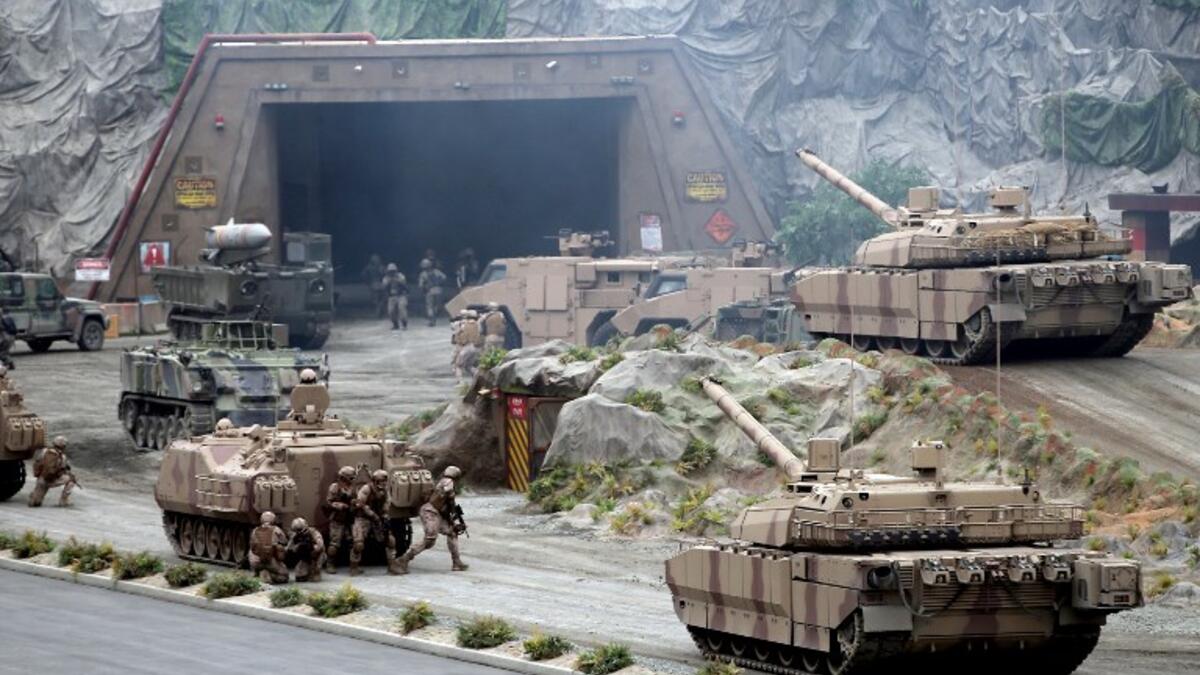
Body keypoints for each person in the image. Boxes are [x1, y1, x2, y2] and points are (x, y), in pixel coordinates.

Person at [398, 466, 468, 573]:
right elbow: (446, 498)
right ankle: (404, 559)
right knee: (430, 540)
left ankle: (457, 562)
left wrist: (454, 520)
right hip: (430, 511)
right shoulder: (448, 482)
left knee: (452, 532)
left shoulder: (445, 482)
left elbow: (447, 506)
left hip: (437, 513)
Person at [350, 469, 402, 576]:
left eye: (384, 481)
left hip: (378, 517)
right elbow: (360, 504)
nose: (383, 483)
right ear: (375, 481)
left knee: (390, 541)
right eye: (381, 481)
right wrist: (372, 515)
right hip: (363, 517)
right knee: (358, 544)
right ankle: (354, 567)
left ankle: (392, 566)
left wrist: (385, 514)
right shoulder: (366, 489)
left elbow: (388, 501)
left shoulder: (385, 490)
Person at [322, 465, 357, 574]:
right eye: (350, 477)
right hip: (338, 517)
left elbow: (356, 498)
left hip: (350, 517)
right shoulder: (335, 487)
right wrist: (339, 505)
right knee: (335, 543)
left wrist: (355, 504)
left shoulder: (353, 487)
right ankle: (330, 564)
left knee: (354, 542)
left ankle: (353, 565)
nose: (352, 479)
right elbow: (329, 502)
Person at [28, 436, 77, 507]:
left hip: (41, 479)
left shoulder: (44, 451)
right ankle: (63, 501)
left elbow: (37, 463)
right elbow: (64, 469)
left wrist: (38, 475)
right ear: (63, 446)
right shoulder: (62, 456)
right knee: (72, 480)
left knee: (35, 503)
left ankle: (34, 496)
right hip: (53, 479)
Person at [249, 511, 289, 583]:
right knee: (284, 576)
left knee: (250, 552)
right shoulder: (277, 530)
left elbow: (252, 545)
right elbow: (284, 541)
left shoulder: (255, 530)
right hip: (271, 561)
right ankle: (270, 576)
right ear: (273, 520)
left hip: (256, 562)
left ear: (261, 519)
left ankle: (256, 573)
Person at [286, 517, 326, 582]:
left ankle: (315, 570)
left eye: (299, 529)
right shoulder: (296, 535)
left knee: (314, 578)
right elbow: (289, 547)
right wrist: (297, 547)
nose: (298, 532)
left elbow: (320, 546)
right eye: (296, 530)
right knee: (300, 577)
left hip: (317, 556)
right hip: (305, 557)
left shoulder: (313, 532)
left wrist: (311, 547)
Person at [451, 310, 481, 380]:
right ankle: (479, 377)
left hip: (466, 347)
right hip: (475, 347)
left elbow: (459, 337)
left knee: (458, 366)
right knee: (469, 366)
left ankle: (460, 381)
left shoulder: (462, 324)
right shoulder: (478, 324)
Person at [417, 260, 448, 327]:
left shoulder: (423, 274)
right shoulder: (437, 271)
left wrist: (423, 291)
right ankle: (434, 318)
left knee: (430, 306)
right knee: (436, 306)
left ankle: (431, 320)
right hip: (438, 290)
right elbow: (444, 278)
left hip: (429, 291)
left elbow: (421, 285)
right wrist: (439, 283)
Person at [382, 263, 408, 330]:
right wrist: (389, 282)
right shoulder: (386, 278)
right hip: (391, 296)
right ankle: (395, 324)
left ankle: (404, 324)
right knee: (391, 311)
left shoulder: (400, 276)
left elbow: (404, 285)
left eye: (393, 271)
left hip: (401, 296)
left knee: (402, 310)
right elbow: (384, 287)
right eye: (390, 271)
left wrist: (397, 280)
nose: (392, 273)